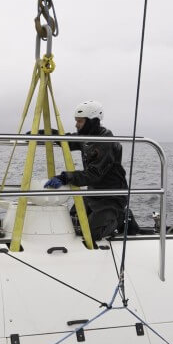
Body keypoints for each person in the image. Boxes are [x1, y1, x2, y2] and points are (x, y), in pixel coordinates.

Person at [44, 100, 136, 241]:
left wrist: (64, 177)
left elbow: (94, 174)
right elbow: (67, 141)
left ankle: (122, 217)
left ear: (92, 121)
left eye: (80, 121)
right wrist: (43, 134)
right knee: (72, 222)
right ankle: (102, 217)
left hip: (111, 197)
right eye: (76, 121)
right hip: (93, 194)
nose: (76, 125)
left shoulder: (106, 142)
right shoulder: (86, 137)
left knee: (92, 233)